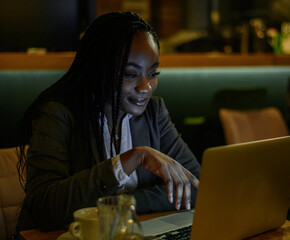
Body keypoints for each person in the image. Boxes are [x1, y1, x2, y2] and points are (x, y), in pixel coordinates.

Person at [16, 12, 201, 232]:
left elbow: (195, 186)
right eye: (130, 75)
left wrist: (121, 206)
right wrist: (129, 160)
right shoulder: (57, 114)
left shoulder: (154, 112)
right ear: (99, 70)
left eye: (153, 72)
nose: (146, 87)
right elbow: (43, 208)